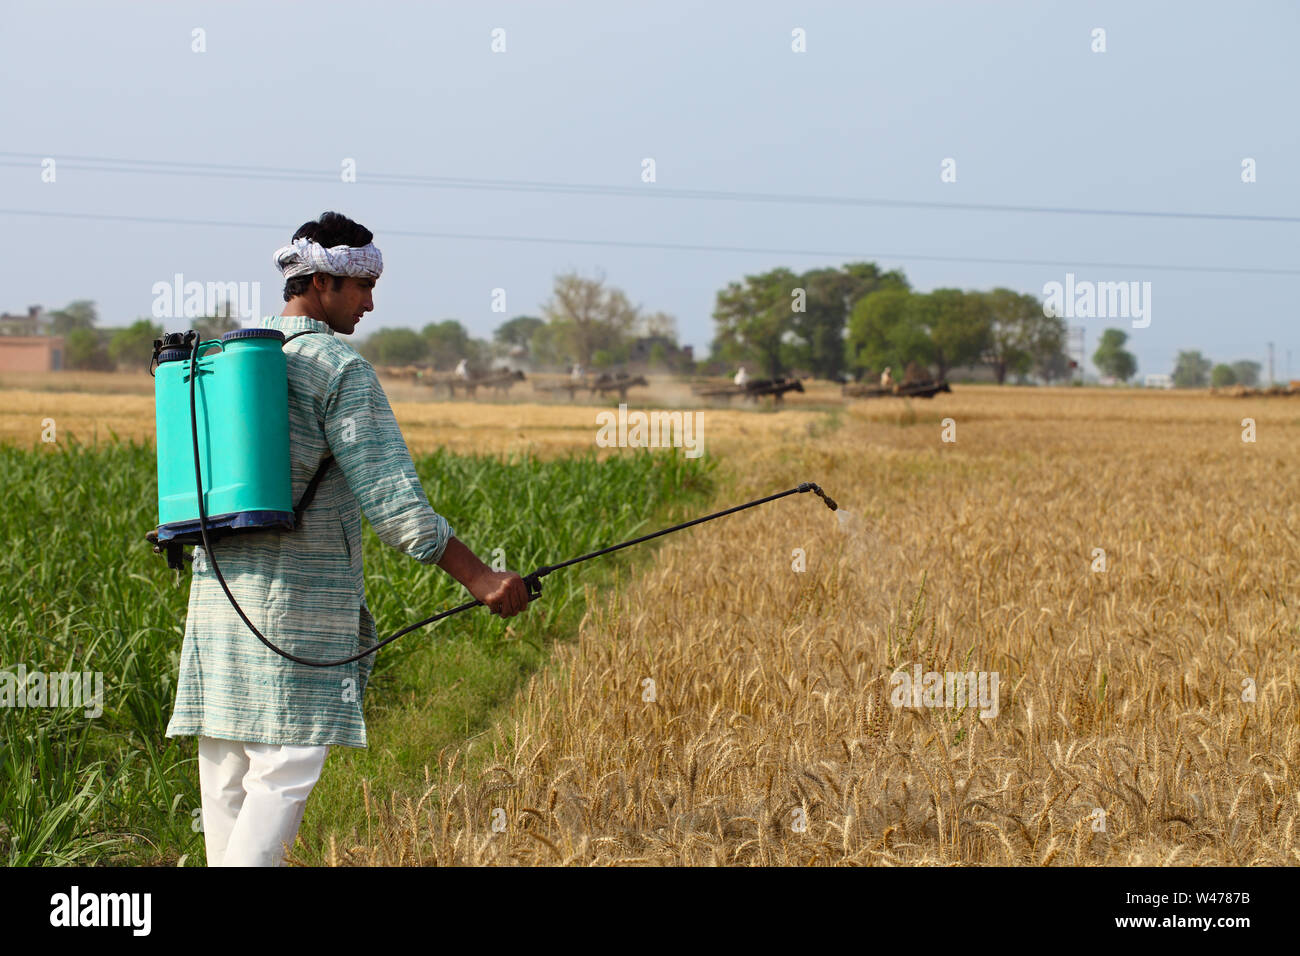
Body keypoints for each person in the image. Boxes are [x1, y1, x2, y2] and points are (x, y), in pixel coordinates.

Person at [164, 211, 531, 867]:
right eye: (363, 287)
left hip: (217, 602)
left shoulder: (222, 360)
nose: (370, 302)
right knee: (284, 767)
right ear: (324, 282)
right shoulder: (338, 369)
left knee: (225, 779)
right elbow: (396, 506)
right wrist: (482, 578)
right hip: (294, 611)